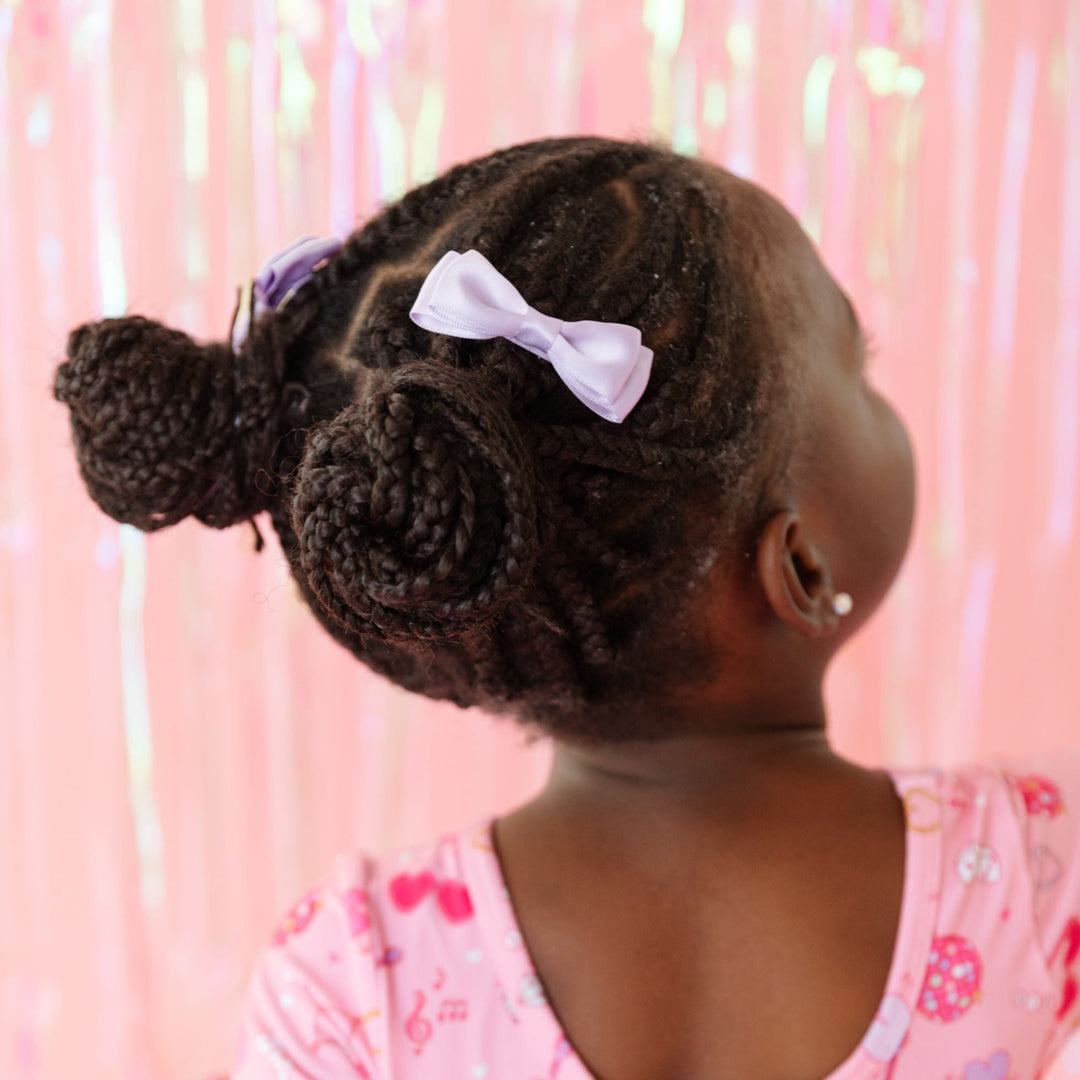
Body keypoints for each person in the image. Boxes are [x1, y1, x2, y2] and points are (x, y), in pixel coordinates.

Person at [53, 135, 1080, 1080]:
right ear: (801, 568)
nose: (879, 389)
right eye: (861, 367)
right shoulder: (1038, 878)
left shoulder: (357, 972)